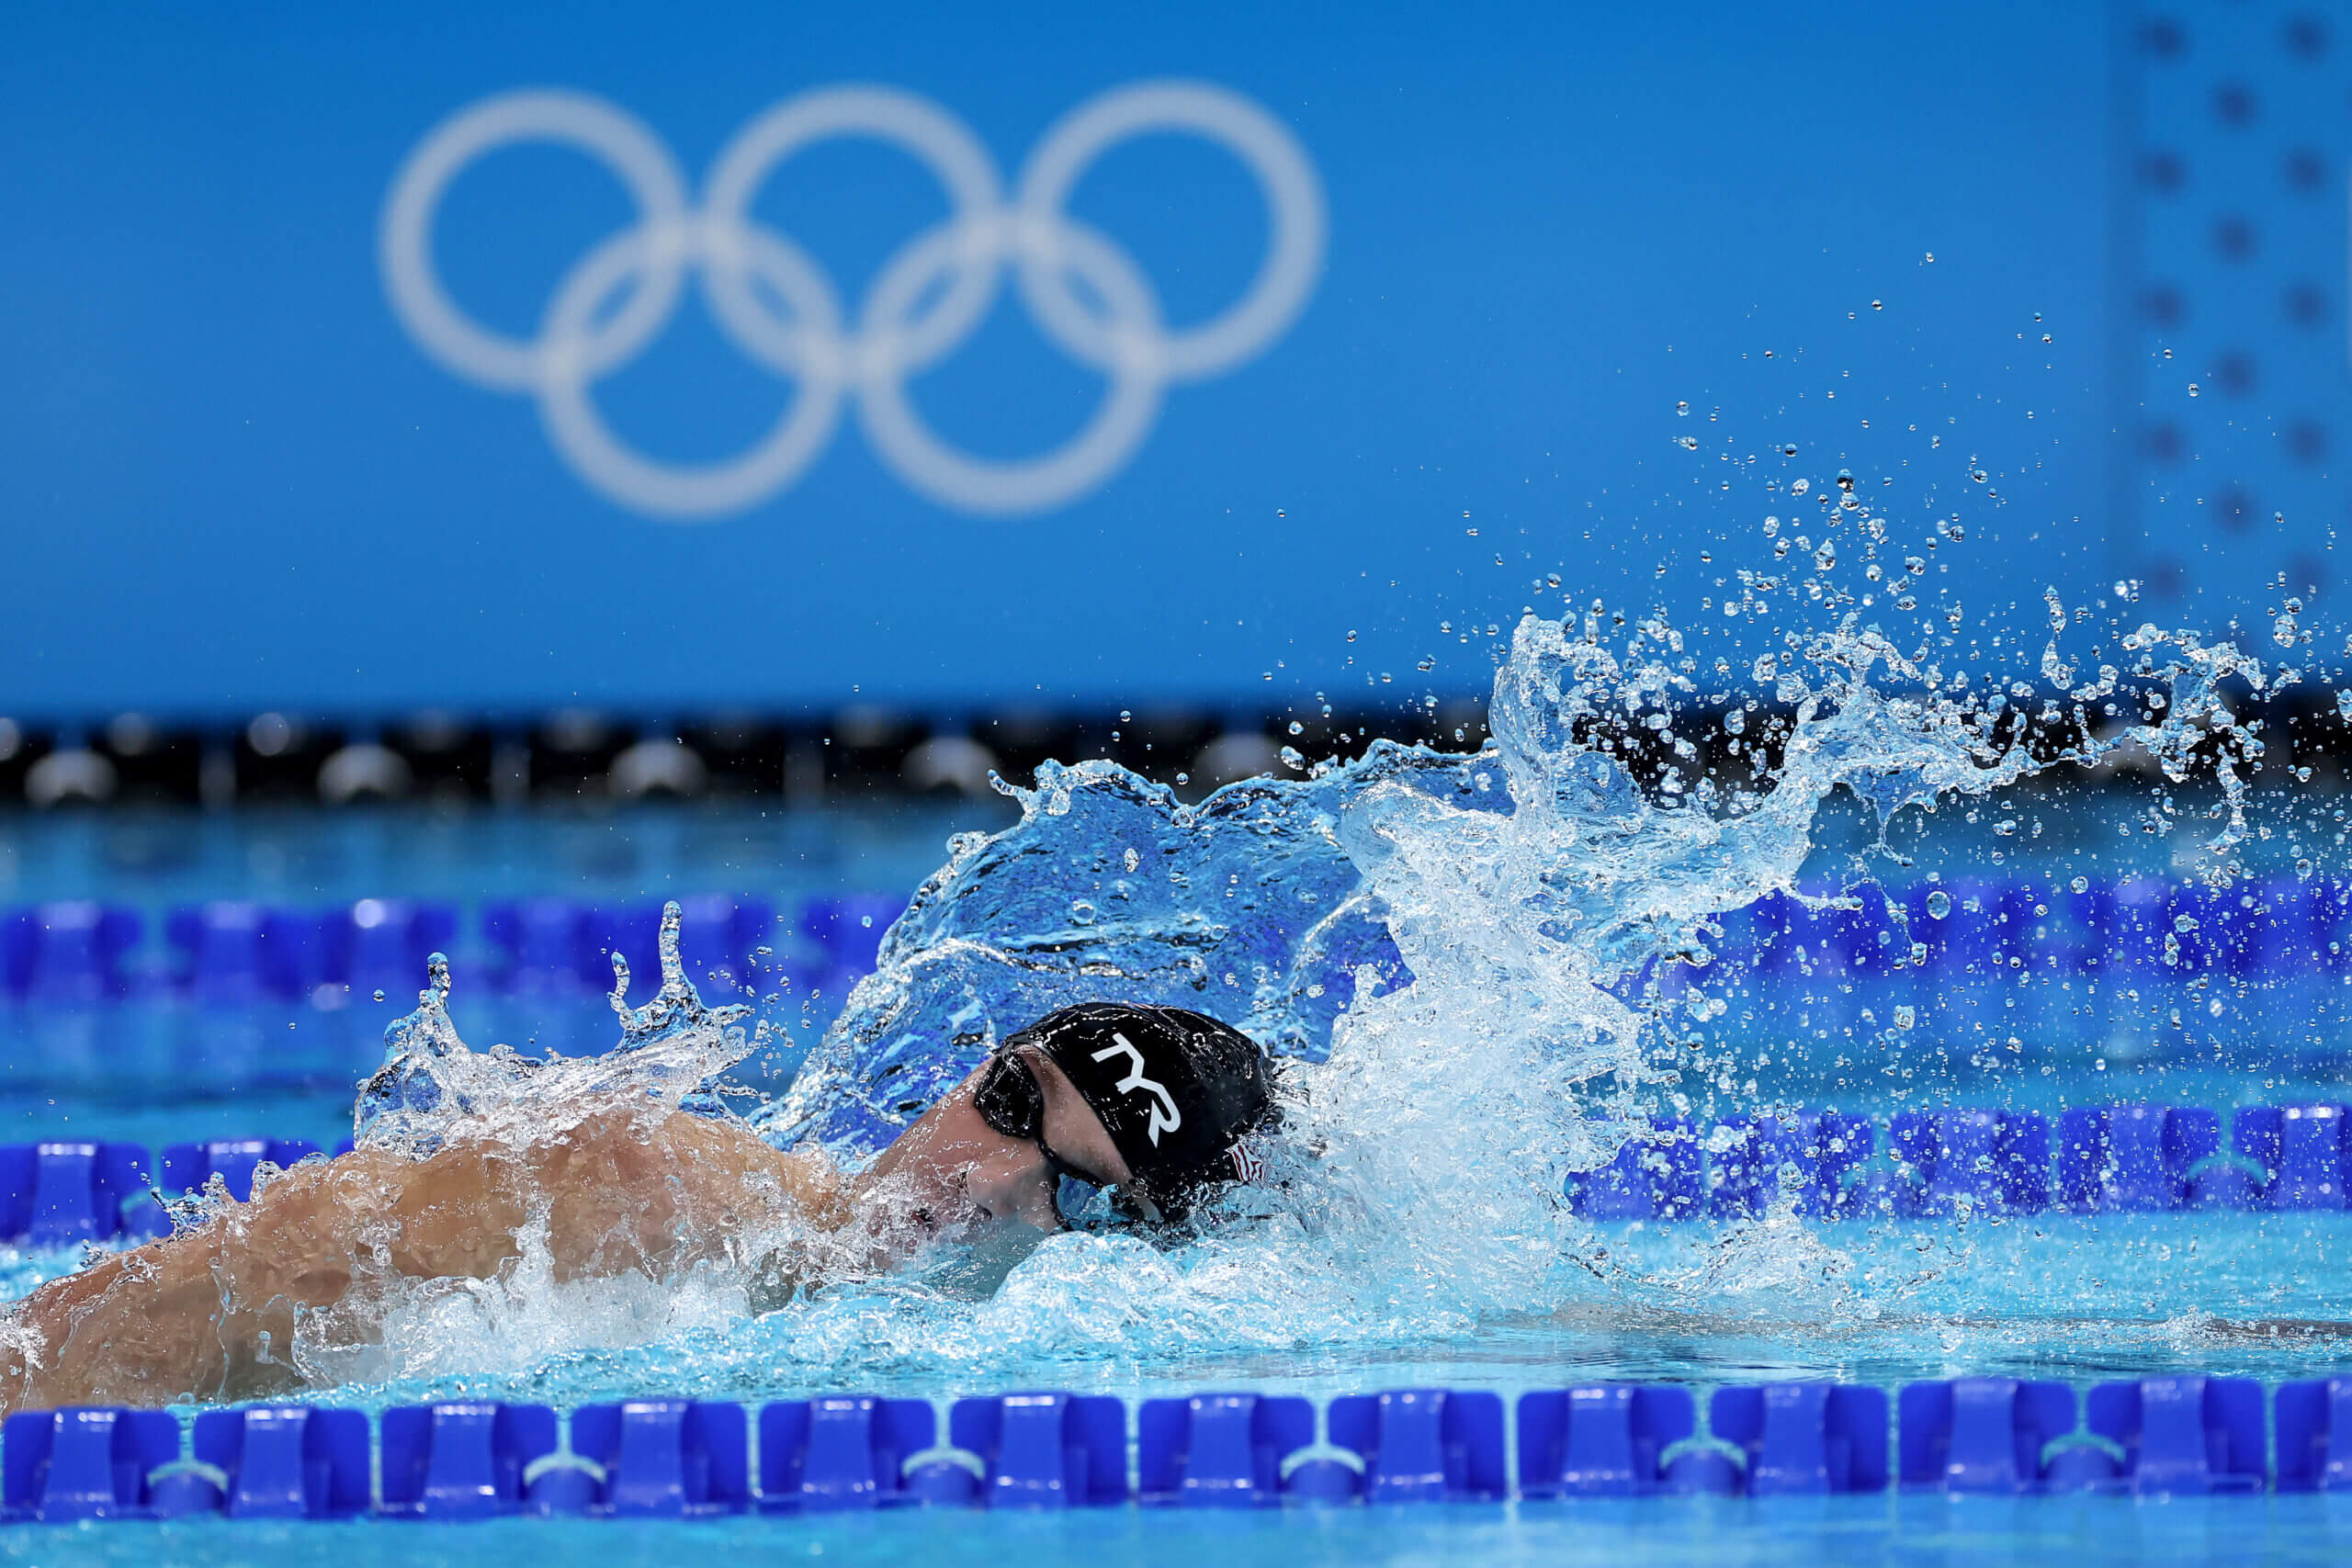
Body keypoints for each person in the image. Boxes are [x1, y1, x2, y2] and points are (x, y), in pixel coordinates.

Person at [0, 1003, 1272, 1415]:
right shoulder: (630, 1188)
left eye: (1073, 1191)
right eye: (1007, 1101)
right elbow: (143, 1326)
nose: (983, 1179)